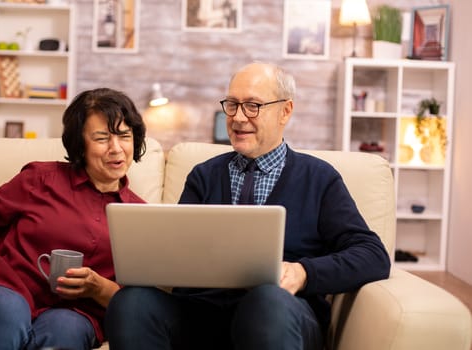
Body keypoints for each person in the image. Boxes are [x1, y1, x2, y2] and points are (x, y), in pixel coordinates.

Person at [104, 62, 391, 350]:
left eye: (252, 106)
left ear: (285, 111)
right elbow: (175, 253)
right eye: (232, 105)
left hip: (278, 314)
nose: (238, 118)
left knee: (266, 300)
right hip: (202, 315)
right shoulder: (203, 176)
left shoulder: (319, 178)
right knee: (131, 302)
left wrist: (303, 273)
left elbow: (372, 254)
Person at [0, 88, 147, 350]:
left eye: (124, 136)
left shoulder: (139, 215)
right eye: (101, 138)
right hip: (3, 292)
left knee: (65, 330)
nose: (116, 148)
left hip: (76, 313)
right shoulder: (41, 178)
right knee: (8, 313)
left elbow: (137, 302)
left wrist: (98, 288)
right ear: (79, 144)